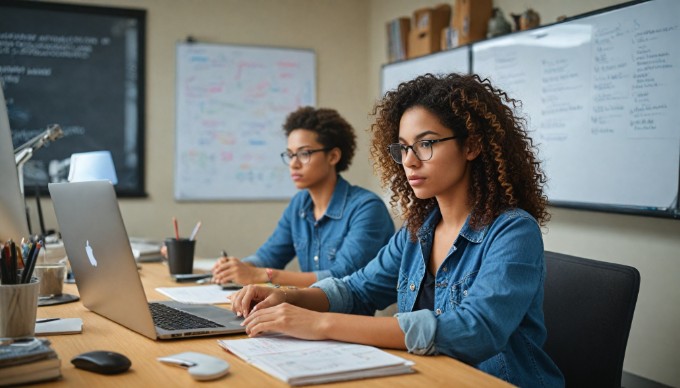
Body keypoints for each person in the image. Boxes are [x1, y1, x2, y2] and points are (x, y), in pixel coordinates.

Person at [229, 74, 565, 387]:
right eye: (403, 147)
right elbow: (358, 290)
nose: (410, 161)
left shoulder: (513, 231)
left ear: (472, 146)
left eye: (426, 144)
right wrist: (287, 296)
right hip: (428, 377)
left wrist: (319, 323)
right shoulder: (417, 231)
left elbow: (474, 331)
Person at [210, 106, 394, 287]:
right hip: (304, 312)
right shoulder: (299, 204)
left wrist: (261, 275)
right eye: (290, 155)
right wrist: (237, 268)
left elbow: (341, 277)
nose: (293, 164)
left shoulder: (367, 208)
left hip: (344, 316)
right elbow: (269, 256)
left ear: (333, 156)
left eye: (304, 153)